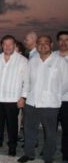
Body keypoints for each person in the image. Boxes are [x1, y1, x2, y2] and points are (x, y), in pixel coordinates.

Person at [18, 35, 68, 163]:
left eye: (46, 42)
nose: (42, 45)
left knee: (50, 133)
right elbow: (27, 81)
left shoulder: (60, 61)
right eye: (39, 43)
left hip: (50, 104)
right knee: (29, 130)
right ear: (37, 46)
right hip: (31, 102)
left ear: (51, 45)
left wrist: (54, 94)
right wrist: (24, 96)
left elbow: (65, 84)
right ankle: (29, 153)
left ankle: (48, 156)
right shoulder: (33, 61)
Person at [0, 35, 28, 157]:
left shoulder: (22, 60)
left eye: (10, 44)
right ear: (1, 46)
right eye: (5, 44)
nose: (7, 47)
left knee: (12, 125)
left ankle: (12, 146)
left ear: (14, 45)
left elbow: (27, 81)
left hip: (13, 99)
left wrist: (23, 97)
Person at [55, 31, 68, 162]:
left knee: (67, 129)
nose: (64, 43)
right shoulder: (52, 56)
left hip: (66, 100)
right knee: (50, 128)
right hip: (52, 100)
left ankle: (66, 152)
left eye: (67, 40)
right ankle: (48, 149)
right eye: (61, 40)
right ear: (58, 42)